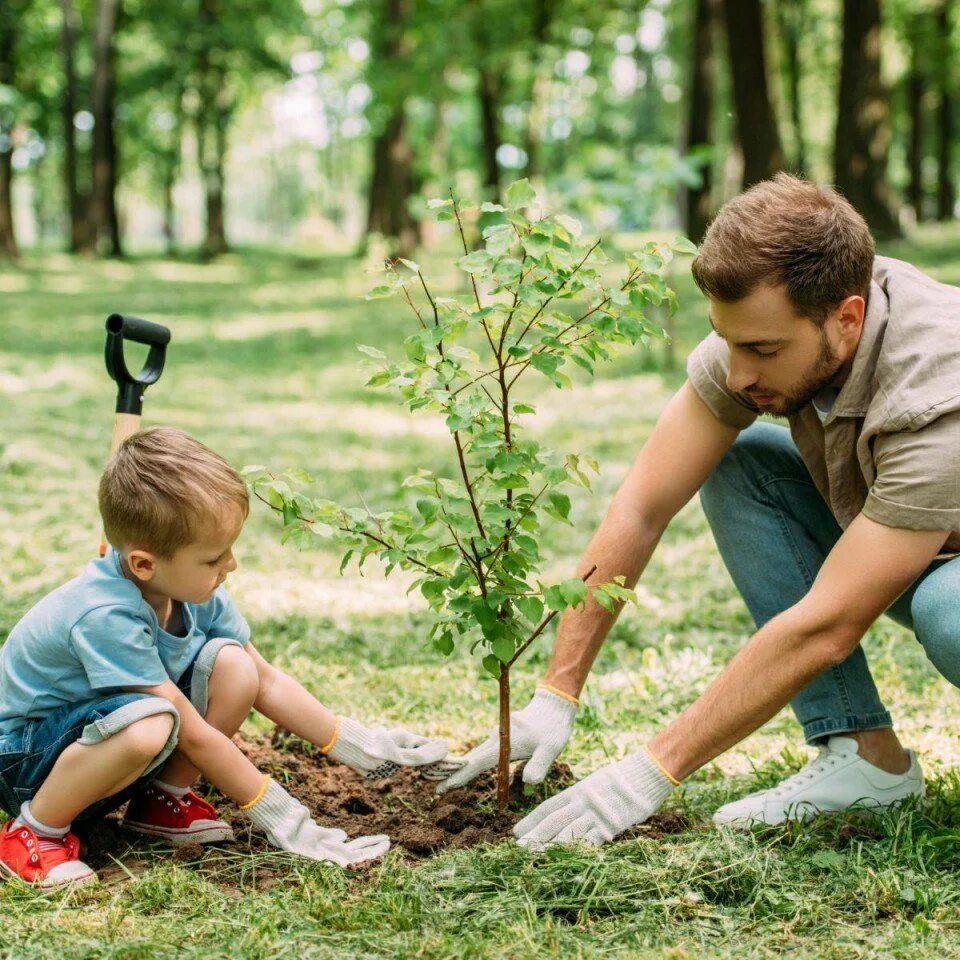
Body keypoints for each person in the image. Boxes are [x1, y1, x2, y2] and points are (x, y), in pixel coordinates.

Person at [437, 174, 960, 848]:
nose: (738, 373)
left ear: (847, 318)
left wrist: (649, 772)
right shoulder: (773, 329)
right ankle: (865, 758)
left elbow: (827, 625)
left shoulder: (936, 396)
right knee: (744, 467)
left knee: (949, 613)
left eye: (763, 351)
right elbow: (642, 505)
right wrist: (555, 693)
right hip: (923, 534)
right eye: (729, 340)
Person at [0, 427, 449, 887]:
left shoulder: (190, 589)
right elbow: (191, 735)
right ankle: (33, 832)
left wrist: (358, 745)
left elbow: (266, 680)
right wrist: (287, 819)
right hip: (25, 760)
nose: (230, 565)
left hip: (95, 746)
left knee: (235, 666)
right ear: (143, 564)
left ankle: (160, 800)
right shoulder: (104, 615)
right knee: (151, 723)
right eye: (215, 557)